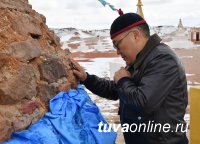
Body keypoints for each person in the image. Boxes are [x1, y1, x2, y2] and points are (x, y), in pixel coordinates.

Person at [70, 13, 188, 144]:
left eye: (117, 44)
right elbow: (116, 90)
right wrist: (87, 78)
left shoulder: (163, 59)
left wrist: (123, 80)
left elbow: (143, 102)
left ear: (135, 35)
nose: (117, 51)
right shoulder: (141, 60)